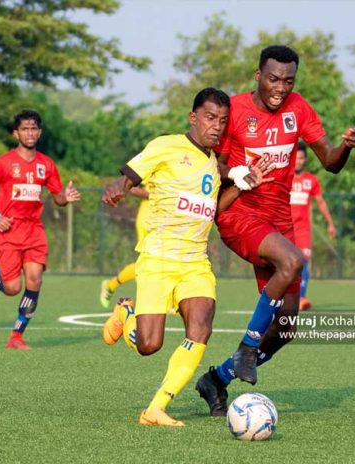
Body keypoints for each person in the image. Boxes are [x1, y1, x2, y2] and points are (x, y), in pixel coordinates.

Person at [195, 45, 355, 416]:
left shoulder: (298, 108)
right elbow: (211, 165)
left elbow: (331, 163)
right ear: (258, 75)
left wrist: (346, 146)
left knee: (286, 327)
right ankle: (246, 347)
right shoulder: (236, 109)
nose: (280, 87)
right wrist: (237, 174)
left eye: (288, 80)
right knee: (292, 260)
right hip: (238, 213)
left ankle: (217, 379)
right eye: (273, 79)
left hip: (278, 220)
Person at [101, 88, 269, 427]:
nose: (217, 126)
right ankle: (127, 311)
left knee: (201, 328)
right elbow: (132, 174)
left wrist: (241, 186)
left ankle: (156, 409)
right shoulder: (166, 146)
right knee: (149, 345)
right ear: (193, 118)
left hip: (195, 264)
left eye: (223, 120)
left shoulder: (213, 163)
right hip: (159, 259)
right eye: (210, 117)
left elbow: (211, 211)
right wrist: (119, 187)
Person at [0, 110, 81, 350]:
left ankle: (17, 336)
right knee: (12, 288)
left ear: (40, 132)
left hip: (34, 231)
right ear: (16, 133)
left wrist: (65, 197)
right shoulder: (4, 162)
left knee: (35, 280)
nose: (30, 133)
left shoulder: (46, 164)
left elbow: (57, 198)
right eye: (25, 129)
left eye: (33, 128)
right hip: (9, 231)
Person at [290, 141, 337, 311]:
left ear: (305, 160)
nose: (298, 161)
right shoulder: (284, 178)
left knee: (302, 263)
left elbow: (321, 203)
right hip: (284, 229)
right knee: (284, 264)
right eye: (295, 158)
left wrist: (330, 224)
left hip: (303, 231)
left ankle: (301, 298)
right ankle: (282, 298)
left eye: (301, 158)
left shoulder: (311, 181)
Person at [98, 184, 149, 308]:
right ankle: (111, 286)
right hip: (148, 220)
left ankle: (110, 286)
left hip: (166, 220)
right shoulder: (152, 165)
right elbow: (129, 187)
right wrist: (157, 196)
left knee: (157, 261)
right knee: (147, 262)